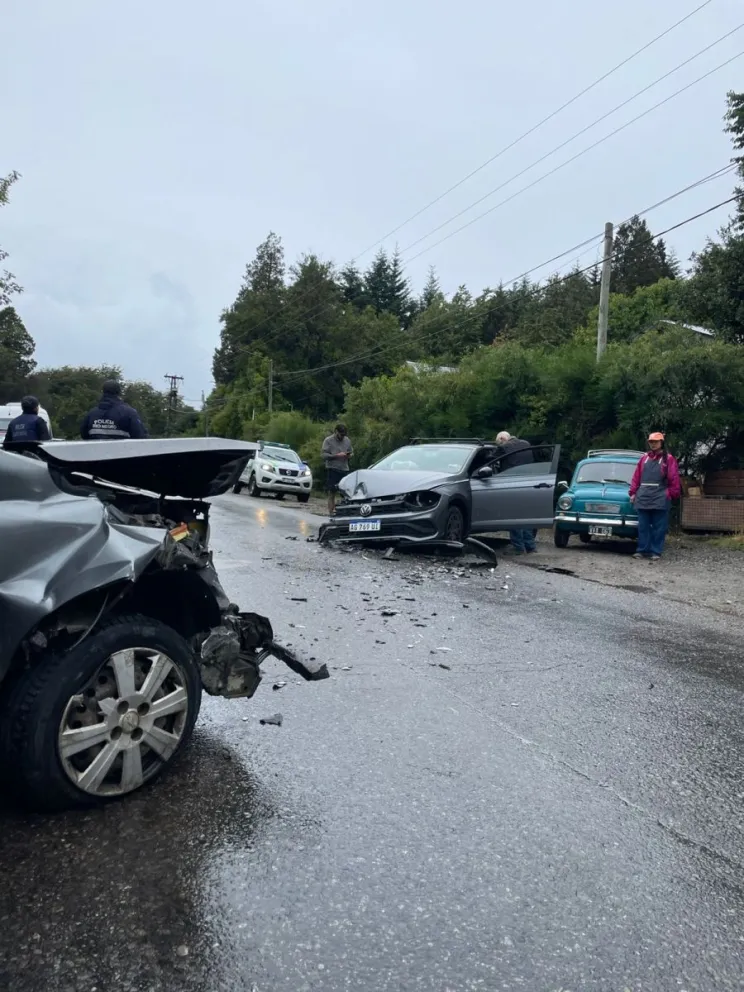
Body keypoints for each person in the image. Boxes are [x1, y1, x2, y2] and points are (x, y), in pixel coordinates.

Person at [629, 431, 681, 561]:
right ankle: (642, 550)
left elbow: (674, 478)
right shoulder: (644, 459)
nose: (653, 444)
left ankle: (655, 552)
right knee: (643, 526)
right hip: (643, 496)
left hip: (660, 496)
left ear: (661, 443)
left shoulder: (668, 459)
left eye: (656, 442)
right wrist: (633, 492)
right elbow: (636, 477)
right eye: (651, 442)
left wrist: (670, 494)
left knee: (659, 527)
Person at [494, 431, 537, 554]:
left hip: (512, 484)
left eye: (498, 442)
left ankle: (518, 547)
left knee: (513, 516)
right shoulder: (526, 444)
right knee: (526, 516)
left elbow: (490, 458)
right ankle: (530, 546)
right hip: (528, 484)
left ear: (502, 439)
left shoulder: (504, 447)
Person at [80, 379, 148, 440]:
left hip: (96, 453)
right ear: (119, 392)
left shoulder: (91, 413)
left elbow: (84, 435)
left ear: (103, 392)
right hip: (123, 453)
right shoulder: (129, 413)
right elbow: (140, 436)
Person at [321, 423, 353, 516]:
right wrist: (336, 456)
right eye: (341, 434)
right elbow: (323, 455)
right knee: (332, 492)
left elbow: (351, 451)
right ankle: (331, 513)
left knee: (346, 493)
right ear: (336, 432)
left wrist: (349, 455)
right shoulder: (328, 440)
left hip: (344, 469)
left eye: (344, 435)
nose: (342, 436)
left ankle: (344, 512)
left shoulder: (347, 440)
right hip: (333, 469)